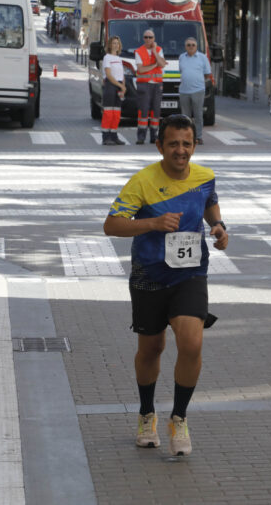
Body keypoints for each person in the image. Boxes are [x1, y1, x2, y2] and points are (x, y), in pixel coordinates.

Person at [103, 114, 228, 456]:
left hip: (190, 274)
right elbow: (111, 225)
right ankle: (146, 414)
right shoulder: (143, 181)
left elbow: (209, 202)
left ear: (194, 145)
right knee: (151, 349)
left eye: (187, 144)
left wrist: (218, 226)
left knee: (191, 343)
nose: (180, 150)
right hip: (150, 276)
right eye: (173, 143)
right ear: (160, 146)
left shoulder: (204, 176)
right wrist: (154, 222)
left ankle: (179, 417)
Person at [135, 29, 167, 144]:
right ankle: (141, 137)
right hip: (144, 84)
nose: (148, 39)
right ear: (143, 38)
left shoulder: (159, 50)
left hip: (157, 85)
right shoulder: (139, 51)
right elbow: (141, 69)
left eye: (150, 37)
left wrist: (154, 51)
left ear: (154, 39)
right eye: (146, 37)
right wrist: (154, 65)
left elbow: (162, 64)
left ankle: (154, 136)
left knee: (156, 112)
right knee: (143, 112)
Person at [178, 37, 212, 146]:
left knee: (198, 115)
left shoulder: (202, 57)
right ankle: (185, 137)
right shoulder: (182, 57)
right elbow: (182, 71)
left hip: (198, 90)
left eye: (193, 45)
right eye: (188, 45)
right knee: (185, 117)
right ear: (185, 47)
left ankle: (198, 137)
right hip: (184, 91)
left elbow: (207, 74)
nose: (191, 47)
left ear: (196, 47)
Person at [100, 36, 126, 146]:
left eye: (117, 43)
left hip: (119, 86)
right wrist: (120, 85)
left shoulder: (119, 59)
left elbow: (122, 75)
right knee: (108, 113)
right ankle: (106, 137)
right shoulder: (107, 57)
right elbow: (109, 75)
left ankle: (114, 136)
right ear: (110, 45)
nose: (116, 45)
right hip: (111, 86)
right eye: (114, 43)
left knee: (116, 113)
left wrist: (123, 87)